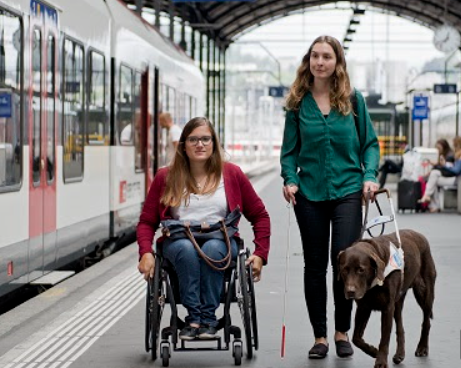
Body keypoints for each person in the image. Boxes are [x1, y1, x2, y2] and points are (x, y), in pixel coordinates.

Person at [280, 35, 380, 359]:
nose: (320, 62)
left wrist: (369, 177)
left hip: (348, 190)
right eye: (315, 56)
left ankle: (341, 332)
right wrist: (290, 180)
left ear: (337, 62)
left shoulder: (353, 100)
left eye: (327, 56)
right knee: (314, 265)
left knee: (345, 262)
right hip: (309, 194)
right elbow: (289, 153)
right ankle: (320, 336)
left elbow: (370, 145)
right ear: (308, 60)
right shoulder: (297, 103)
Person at [137, 117, 271, 340]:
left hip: (220, 240)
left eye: (206, 139)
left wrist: (260, 254)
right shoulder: (165, 177)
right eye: (193, 139)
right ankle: (195, 318)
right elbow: (146, 222)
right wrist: (146, 253)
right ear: (183, 145)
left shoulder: (232, 174)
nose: (200, 144)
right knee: (186, 250)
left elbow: (260, 216)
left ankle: (207, 319)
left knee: (213, 250)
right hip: (178, 241)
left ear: (214, 143)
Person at [419, 136, 461, 212]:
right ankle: (431, 201)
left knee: (433, 177)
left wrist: (444, 165)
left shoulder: (454, 155)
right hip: (452, 177)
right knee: (433, 178)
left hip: (455, 179)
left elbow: (456, 170)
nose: (453, 147)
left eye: (455, 145)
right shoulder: (451, 154)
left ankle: (432, 202)